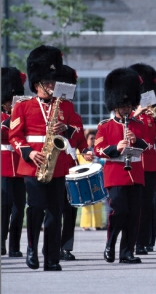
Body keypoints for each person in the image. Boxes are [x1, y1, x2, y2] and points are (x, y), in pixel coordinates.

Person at [9, 45, 90, 271]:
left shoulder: (64, 105)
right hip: (34, 164)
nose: (53, 86)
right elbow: (15, 136)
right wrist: (29, 152)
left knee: (56, 213)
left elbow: (78, 131)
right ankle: (32, 249)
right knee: (35, 209)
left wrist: (67, 130)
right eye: (48, 83)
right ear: (37, 85)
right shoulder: (23, 106)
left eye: (53, 82)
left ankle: (51, 257)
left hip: (58, 165)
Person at [94, 67, 150, 264]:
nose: (127, 109)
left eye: (129, 105)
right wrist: (116, 148)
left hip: (135, 173)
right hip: (115, 174)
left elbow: (148, 146)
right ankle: (110, 244)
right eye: (123, 106)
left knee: (134, 215)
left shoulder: (138, 125)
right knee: (119, 212)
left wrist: (135, 139)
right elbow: (98, 149)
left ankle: (127, 252)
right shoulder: (105, 126)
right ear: (115, 105)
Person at [129, 63, 156, 254]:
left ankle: (143, 242)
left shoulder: (153, 117)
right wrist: (137, 113)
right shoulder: (130, 115)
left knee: (148, 206)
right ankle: (134, 240)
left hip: (152, 165)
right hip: (135, 164)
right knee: (134, 206)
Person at [55, 64, 90, 261]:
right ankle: (51, 246)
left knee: (69, 209)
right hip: (50, 165)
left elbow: (80, 137)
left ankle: (66, 247)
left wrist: (86, 151)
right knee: (53, 209)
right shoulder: (41, 107)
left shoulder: (70, 110)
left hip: (69, 166)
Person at [1, 67, 27, 258]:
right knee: (4, 207)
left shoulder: (22, 117)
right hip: (3, 165)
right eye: (9, 102)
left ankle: (15, 246)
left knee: (19, 209)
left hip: (20, 166)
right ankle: (1, 242)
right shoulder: (3, 118)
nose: (12, 105)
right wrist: (10, 121)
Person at [78, 129, 104, 231]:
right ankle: (86, 224)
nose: (93, 140)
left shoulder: (97, 151)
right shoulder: (81, 151)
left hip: (96, 179)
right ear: (86, 139)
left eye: (94, 138)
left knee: (98, 202)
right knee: (87, 204)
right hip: (85, 179)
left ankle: (97, 224)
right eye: (91, 138)